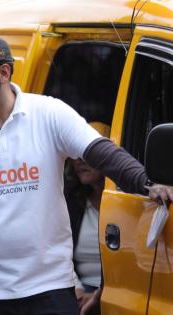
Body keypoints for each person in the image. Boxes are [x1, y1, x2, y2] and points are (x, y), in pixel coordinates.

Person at [0, 34, 173, 315]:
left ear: (4, 72)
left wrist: (147, 183)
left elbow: (101, 152)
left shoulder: (48, 113)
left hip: (48, 286)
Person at [65, 122, 110, 315]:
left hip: (116, 294)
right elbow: (56, 251)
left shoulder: (130, 201)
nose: (79, 160)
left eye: (87, 153)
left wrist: (99, 295)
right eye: (75, 154)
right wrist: (77, 288)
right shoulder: (71, 201)